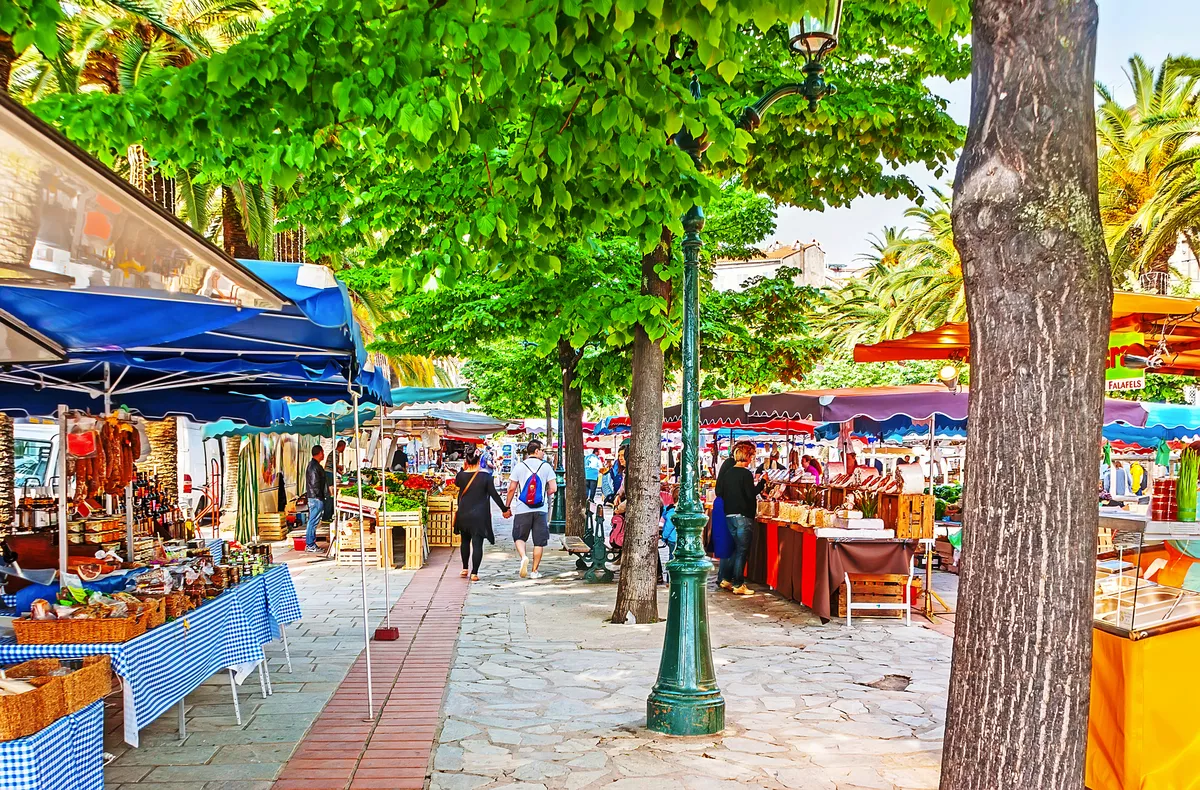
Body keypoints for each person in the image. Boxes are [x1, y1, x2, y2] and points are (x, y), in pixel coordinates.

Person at [715, 441, 765, 596]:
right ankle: (738, 583)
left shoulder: (729, 473)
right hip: (743, 517)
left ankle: (726, 579)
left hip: (729, 515)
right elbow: (750, 494)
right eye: (751, 456)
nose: (751, 459)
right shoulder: (745, 474)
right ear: (746, 456)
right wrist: (762, 483)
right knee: (742, 551)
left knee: (734, 549)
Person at [454, 448, 510, 580]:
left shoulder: (460, 475)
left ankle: (464, 569)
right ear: (479, 460)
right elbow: (494, 495)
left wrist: (464, 468)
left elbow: (457, 484)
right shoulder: (486, 477)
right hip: (479, 515)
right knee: (477, 544)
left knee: (464, 541)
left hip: (463, 513)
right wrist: (504, 509)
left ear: (466, 460)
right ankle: (474, 573)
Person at [505, 439, 557, 579]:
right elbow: (553, 488)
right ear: (536, 451)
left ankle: (523, 557)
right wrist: (543, 495)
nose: (543, 453)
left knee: (519, 537)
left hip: (523, 508)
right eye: (542, 450)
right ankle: (534, 571)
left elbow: (511, 489)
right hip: (541, 509)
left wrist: (507, 506)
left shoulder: (519, 466)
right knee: (539, 541)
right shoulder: (546, 467)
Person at [304, 446, 326, 553]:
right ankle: (310, 544)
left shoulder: (314, 465)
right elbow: (314, 483)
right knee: (312, 521)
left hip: (315, 497)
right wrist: (319, 496)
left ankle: (311, 543)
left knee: (313, 521)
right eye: (323, 452)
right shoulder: (314, 467)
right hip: (315, 498)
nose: (324, 454)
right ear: (320, 453)